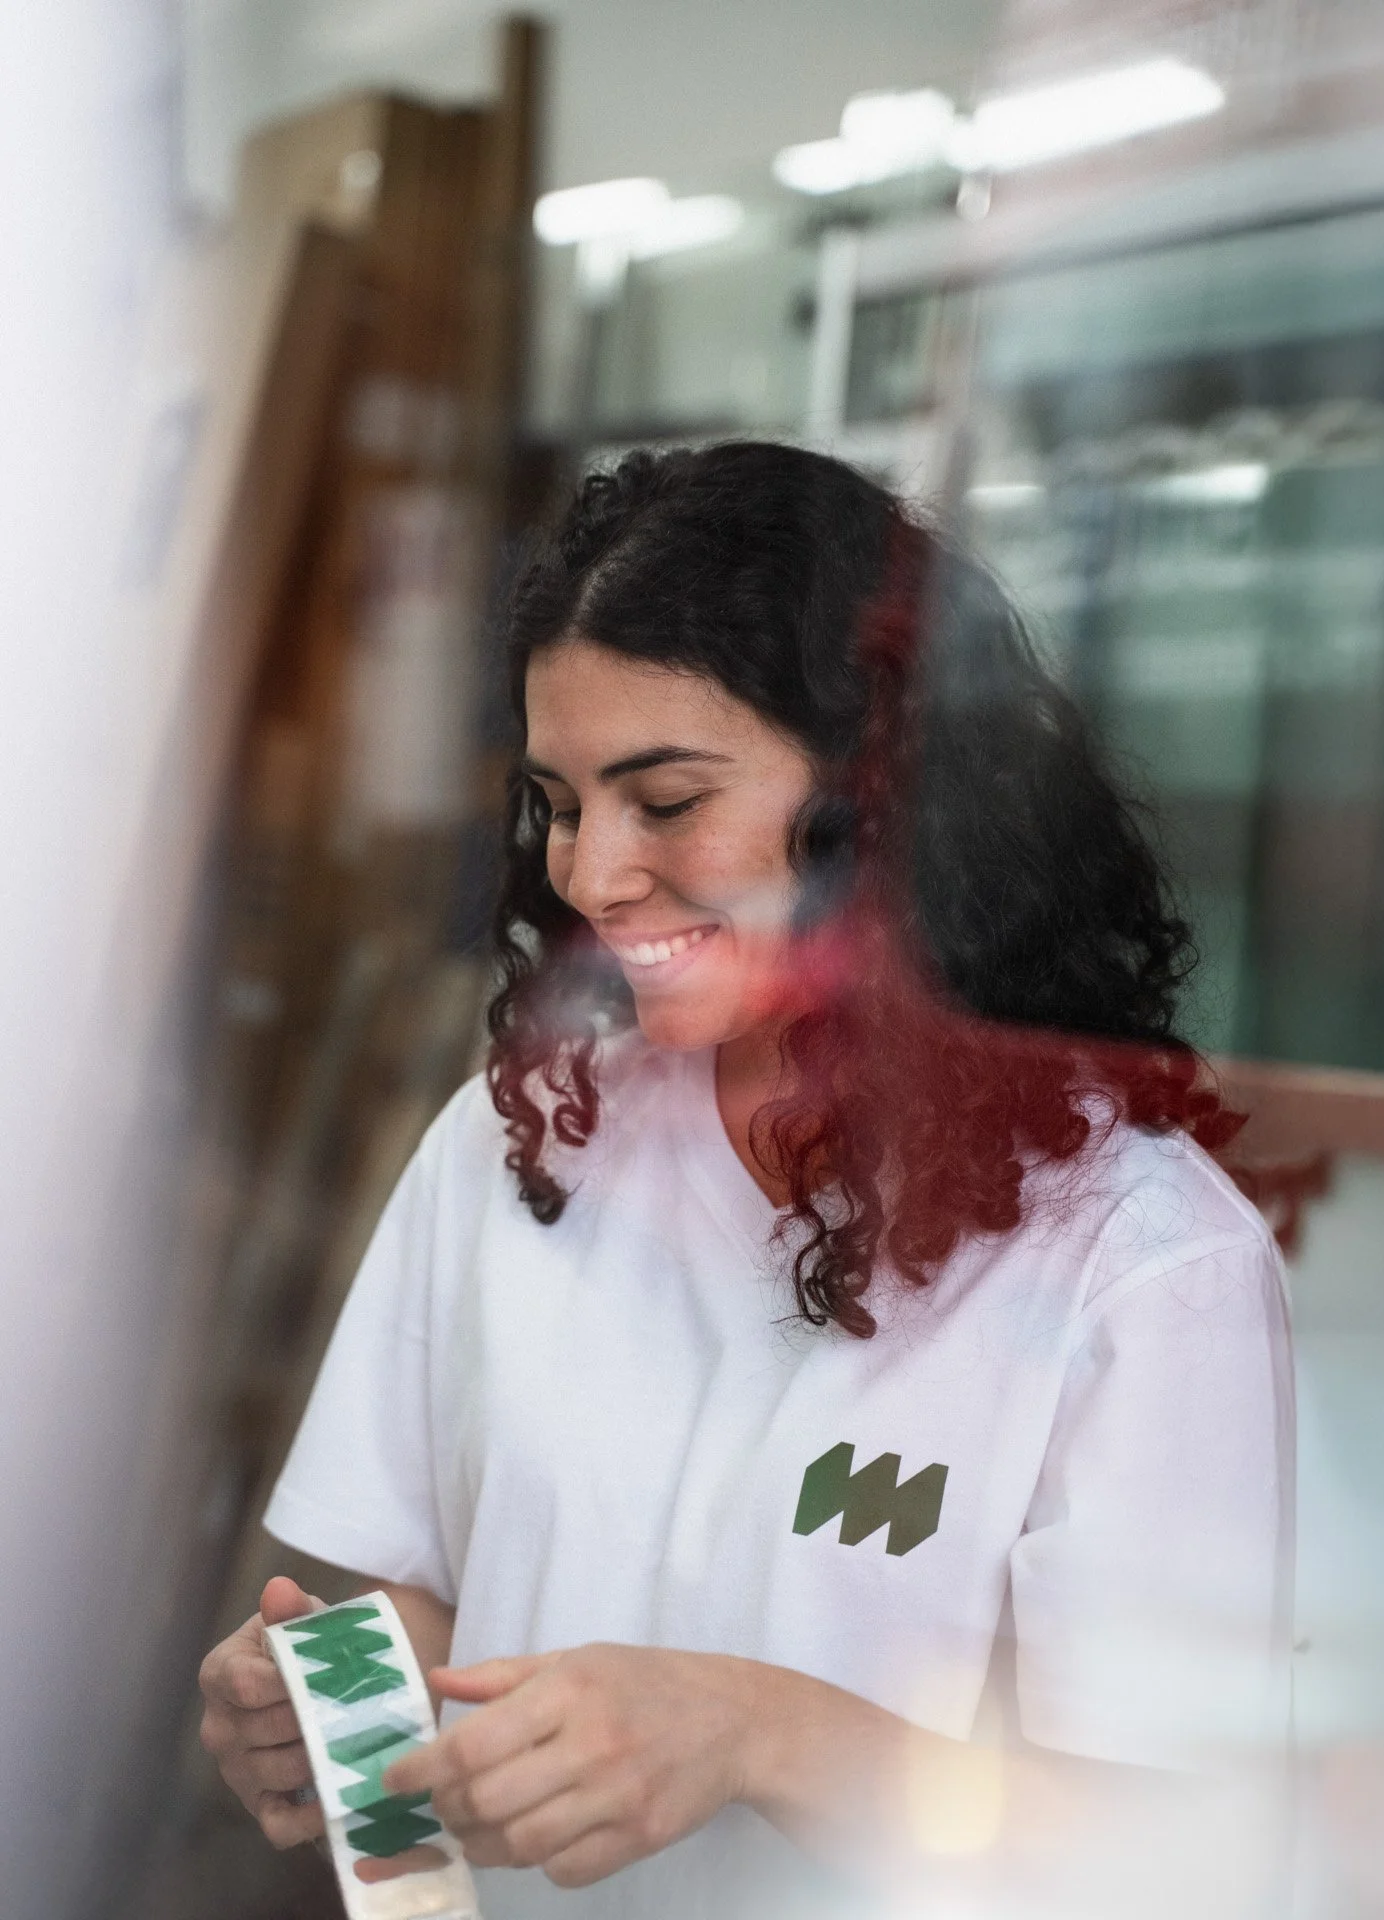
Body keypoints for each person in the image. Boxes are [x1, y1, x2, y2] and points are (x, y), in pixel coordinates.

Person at [198, 442, 1294, 1920]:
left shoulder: (1141, 1262)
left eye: (664, 800)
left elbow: (1179, 1861)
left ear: (885, 805)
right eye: (559, 803)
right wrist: (327, 1710)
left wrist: (760, 1736)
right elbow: (405, 1603)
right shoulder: (515, 1142)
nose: (589, 877)